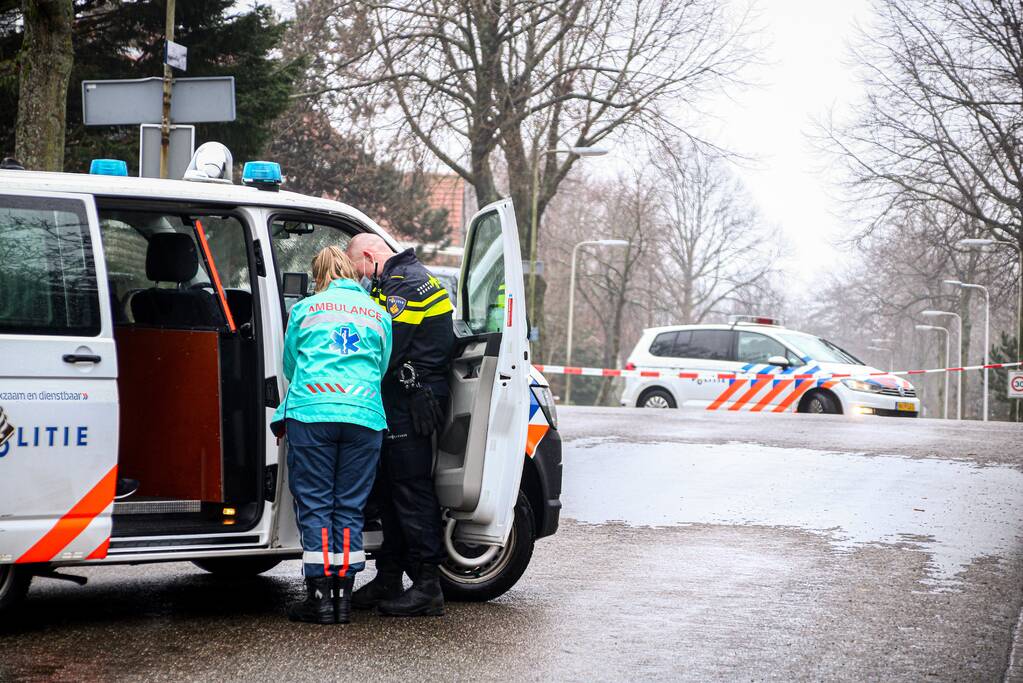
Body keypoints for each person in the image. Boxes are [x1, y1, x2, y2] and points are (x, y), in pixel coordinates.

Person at [270, 245, 392, 625]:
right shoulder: (378, 312)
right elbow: (381, 366)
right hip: (364, 416)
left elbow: (290, 364)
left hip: (313, 414)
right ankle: (344, 600)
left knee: (317, 504)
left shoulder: (306, 309)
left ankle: (320, 600)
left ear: (319, 275)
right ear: (352, 273)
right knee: (351, 506)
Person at [345, 234, 454, 617]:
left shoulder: (404, 284)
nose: (360, 277)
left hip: (411, 399)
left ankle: (427, 585)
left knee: (411, 489)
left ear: (369, 256)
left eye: (358, 269)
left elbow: (387, 348)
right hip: (400, 398)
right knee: (391, 489)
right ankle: (389, 576)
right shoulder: (397, 278)